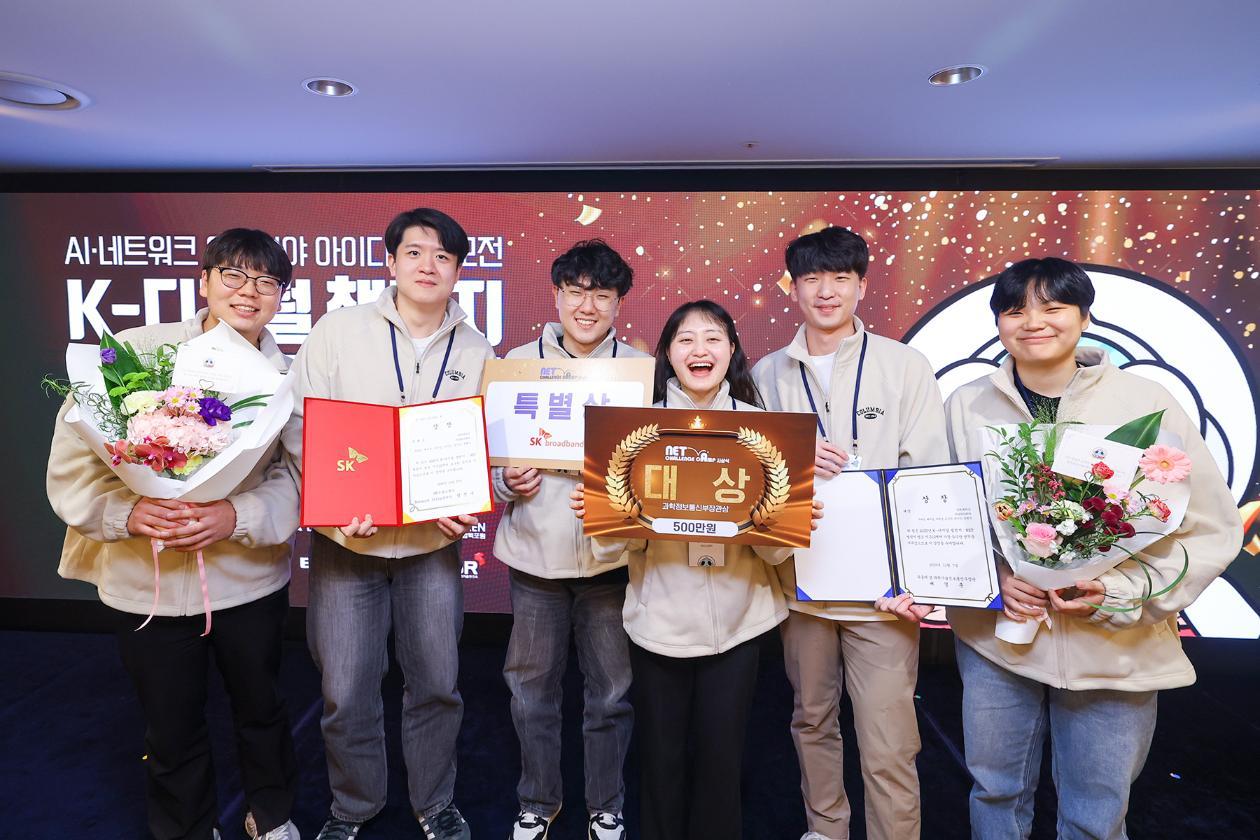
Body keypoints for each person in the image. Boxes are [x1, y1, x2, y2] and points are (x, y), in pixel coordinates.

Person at [933, 257, 1240, 839]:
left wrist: (1116, 590)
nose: (1033, 322)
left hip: (1115, 647)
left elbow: (1210, 529)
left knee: (1096, 813)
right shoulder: (965, 405)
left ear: (1085, 317)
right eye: (1015, 310)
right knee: (995, 793)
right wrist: (995, 580)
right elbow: (946, 515)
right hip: (1000, 643)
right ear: (998, 323)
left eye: (1052, 308)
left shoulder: (1145, 403)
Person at [47, 228, 301, 840]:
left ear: (280, 297)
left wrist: (236, 516)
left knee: (262, 709)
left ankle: (271, 816)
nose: (249, 292)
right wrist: (128, 512)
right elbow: (74, 461)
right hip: (147, 580)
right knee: (169, 722)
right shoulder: (135, 354)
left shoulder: (289, 376)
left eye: (266, 282)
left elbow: (298, 475)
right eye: (233, 275)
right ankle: (186, 828)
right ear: (204, 281)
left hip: (246, 580)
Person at [282, 208, 494, 840]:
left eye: (444, 256)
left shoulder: (477, 349)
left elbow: (484, 444)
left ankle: (435, 803)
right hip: (347, 544)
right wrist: (334, 503)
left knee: (437, 684)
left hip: (431, 548)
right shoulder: (338, 330)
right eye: (415, 252)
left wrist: (468, 501)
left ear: (458, 271)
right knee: (346, 689)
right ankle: (354, 806)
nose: (429, 266)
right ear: (391, 261)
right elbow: (298, 423)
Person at [576, 300, 819, 840]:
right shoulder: (634, 429)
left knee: (722, 763)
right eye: (685, 339)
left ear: (731, 350)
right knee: (659, 762)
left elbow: (776, 557)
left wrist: (788, 521)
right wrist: (603, 514)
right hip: (657, 624)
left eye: (712, 338)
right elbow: (612, 553)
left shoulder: (765, 432)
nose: (699, 349)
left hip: (739, 624)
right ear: (668, 352)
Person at [751, 226, 947, 840]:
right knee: (811, 721)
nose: (826, 291)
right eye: (812, 278)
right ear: (793, 288)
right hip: (802, 587)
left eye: (841, 278)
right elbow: (752, 478)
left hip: (882, 596)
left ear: (862, 284)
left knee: (890, 739)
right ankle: (826, 828)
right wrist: (793, 460)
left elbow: (929, 475)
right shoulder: (767, 374)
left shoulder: (903, 365)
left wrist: (919, 581)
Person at [493, 240, 646, 840]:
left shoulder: (637, 371)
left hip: (611, 561)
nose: (588, 306)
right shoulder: (516, 364)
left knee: (611, 694)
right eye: (576, 292)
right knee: (531, 690)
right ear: (556, 295)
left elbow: (654, 470)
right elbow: (489, 460)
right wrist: (506, 481)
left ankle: (606, 803)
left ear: (618, 303)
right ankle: (538, 800)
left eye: (602, 295)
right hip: (535, 558)